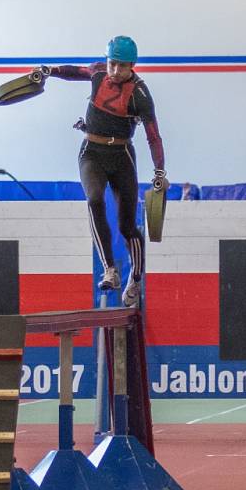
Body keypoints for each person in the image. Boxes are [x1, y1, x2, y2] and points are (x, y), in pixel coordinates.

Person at [46, 36, 166, 307]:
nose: (115, 71)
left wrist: (159, 171)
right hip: (92, 151)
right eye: (113, 64)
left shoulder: (141, 94)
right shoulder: (98, 72)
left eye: (122, 66)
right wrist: (48, 71)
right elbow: (73, 72)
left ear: (132, 66)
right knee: (94, 199)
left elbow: (153, 137)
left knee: (126, 225)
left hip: (122, 156)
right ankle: (110, 269)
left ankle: (135, 277)